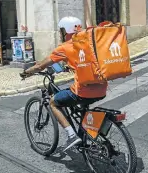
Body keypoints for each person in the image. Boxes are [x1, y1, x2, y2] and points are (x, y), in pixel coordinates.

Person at [19, 16, 107, 152]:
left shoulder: (65, 47)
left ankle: (72, 136)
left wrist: (26, 72)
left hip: (83, 91)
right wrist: (70, 67)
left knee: (53, 102)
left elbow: (41, 65)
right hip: (102, 89)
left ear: (65, 31)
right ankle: (85, 136)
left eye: (61, 30)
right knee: (79, 106)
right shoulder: (89, 42)